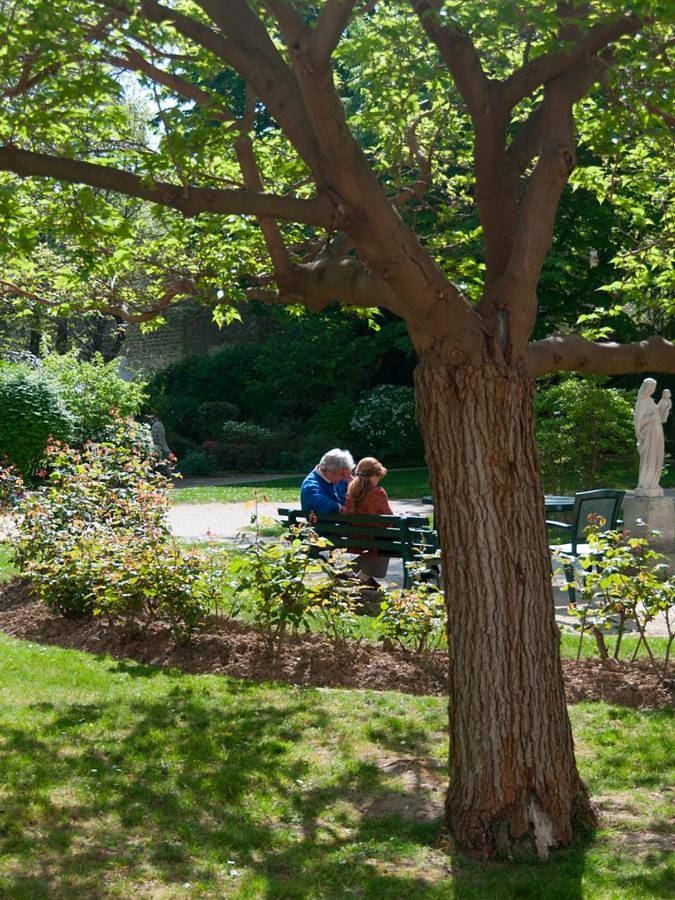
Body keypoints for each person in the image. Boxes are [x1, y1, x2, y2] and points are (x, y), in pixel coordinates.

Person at [345, 456, 393, 586]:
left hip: (357, 538)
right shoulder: (378, 493)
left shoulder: (351, 493)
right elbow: (387, 520)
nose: (379, 479)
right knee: (391, 541)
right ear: (374, 475)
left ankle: (350, 570)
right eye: (379, 476)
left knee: (384, 541)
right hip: (374, 539)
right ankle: (364, 576)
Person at [300, 448, 354, 515]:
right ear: (330, 471)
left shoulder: (339, 479)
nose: (344, 478)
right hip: (326, 522)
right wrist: (341, 509)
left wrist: (352, 482)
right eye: (342, 474)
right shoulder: (310, 485)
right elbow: (323, 506)